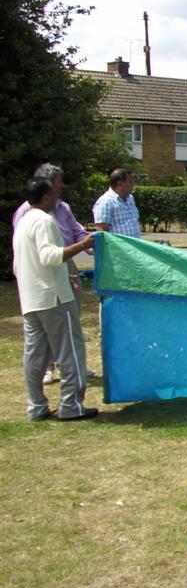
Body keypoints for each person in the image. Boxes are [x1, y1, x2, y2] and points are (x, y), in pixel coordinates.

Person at [13, 177, 97, 421]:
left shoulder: (23, 222)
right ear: (46, 198)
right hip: (55, 300)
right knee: (70, 351)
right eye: (54, 195)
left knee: (35, 355)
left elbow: (23, 264)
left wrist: (64, 275)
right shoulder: (44, 221)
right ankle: (71, 406)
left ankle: (36, 406)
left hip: (31, 299)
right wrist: (83, 245)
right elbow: (50, 256)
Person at [92, 168, 141, 237]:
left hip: (135, 246)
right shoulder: (106, 202)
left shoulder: (130, 199)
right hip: (117, 247)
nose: (133, 184)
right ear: (120, 183)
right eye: (130, 182)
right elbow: (101, 231)